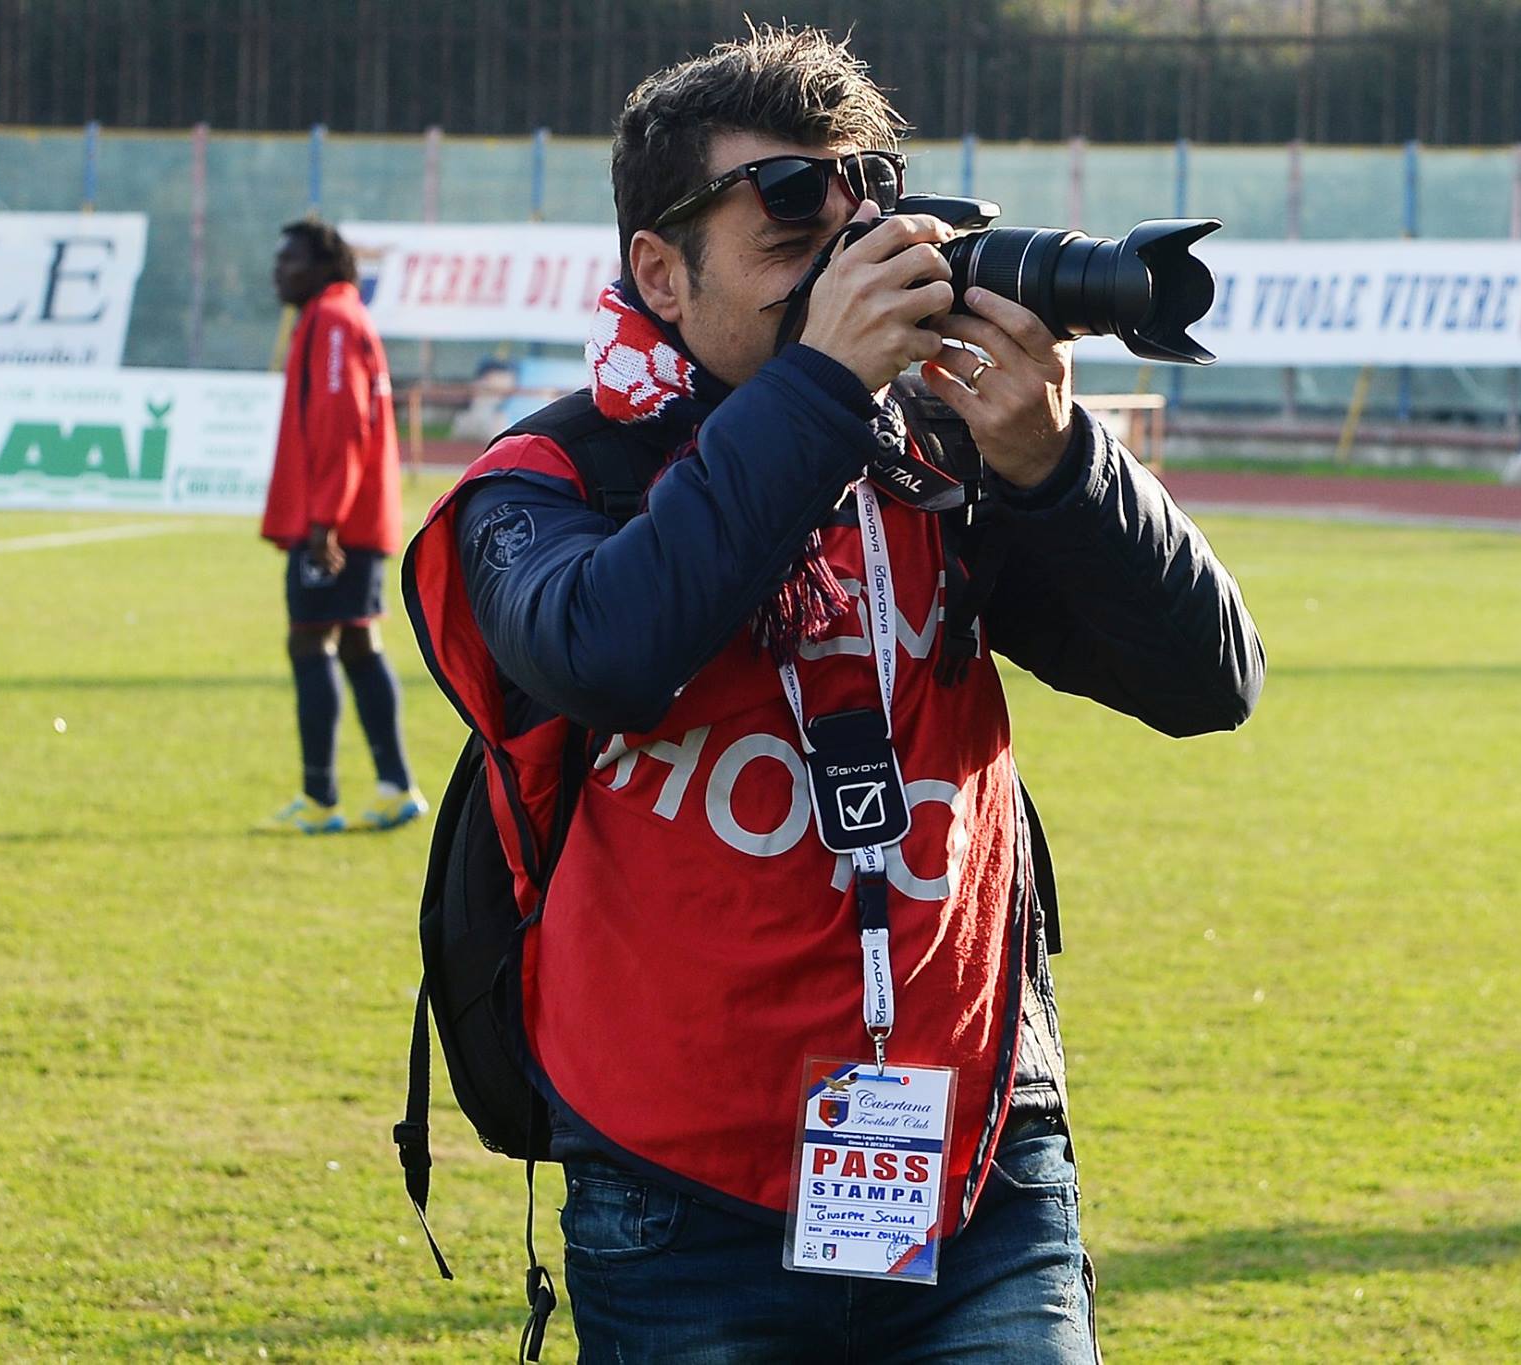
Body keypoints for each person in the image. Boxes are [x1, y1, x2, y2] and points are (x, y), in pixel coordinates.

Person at [404, 26, 1262, 1363]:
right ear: (660, 272)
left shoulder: (941, 463)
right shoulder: (550, 481)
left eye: (866, 209)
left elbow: (1208, 680)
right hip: (676, 1192)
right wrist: (821, 384)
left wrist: (1052, 461)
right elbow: (605, 651)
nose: (849, 264)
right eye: (788, 221)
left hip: (978, 1166)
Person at [260, 219, 426, 834]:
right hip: (354, 516)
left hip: (337, 521)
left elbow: (341, 422)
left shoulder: (331, 321)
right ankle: (394, 786)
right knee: (355, 641)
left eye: (291, 260)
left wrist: (323, 521)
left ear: (322, 267)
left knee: (309, 640)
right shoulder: (341, 315)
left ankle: (320, 798)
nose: (279, 270)